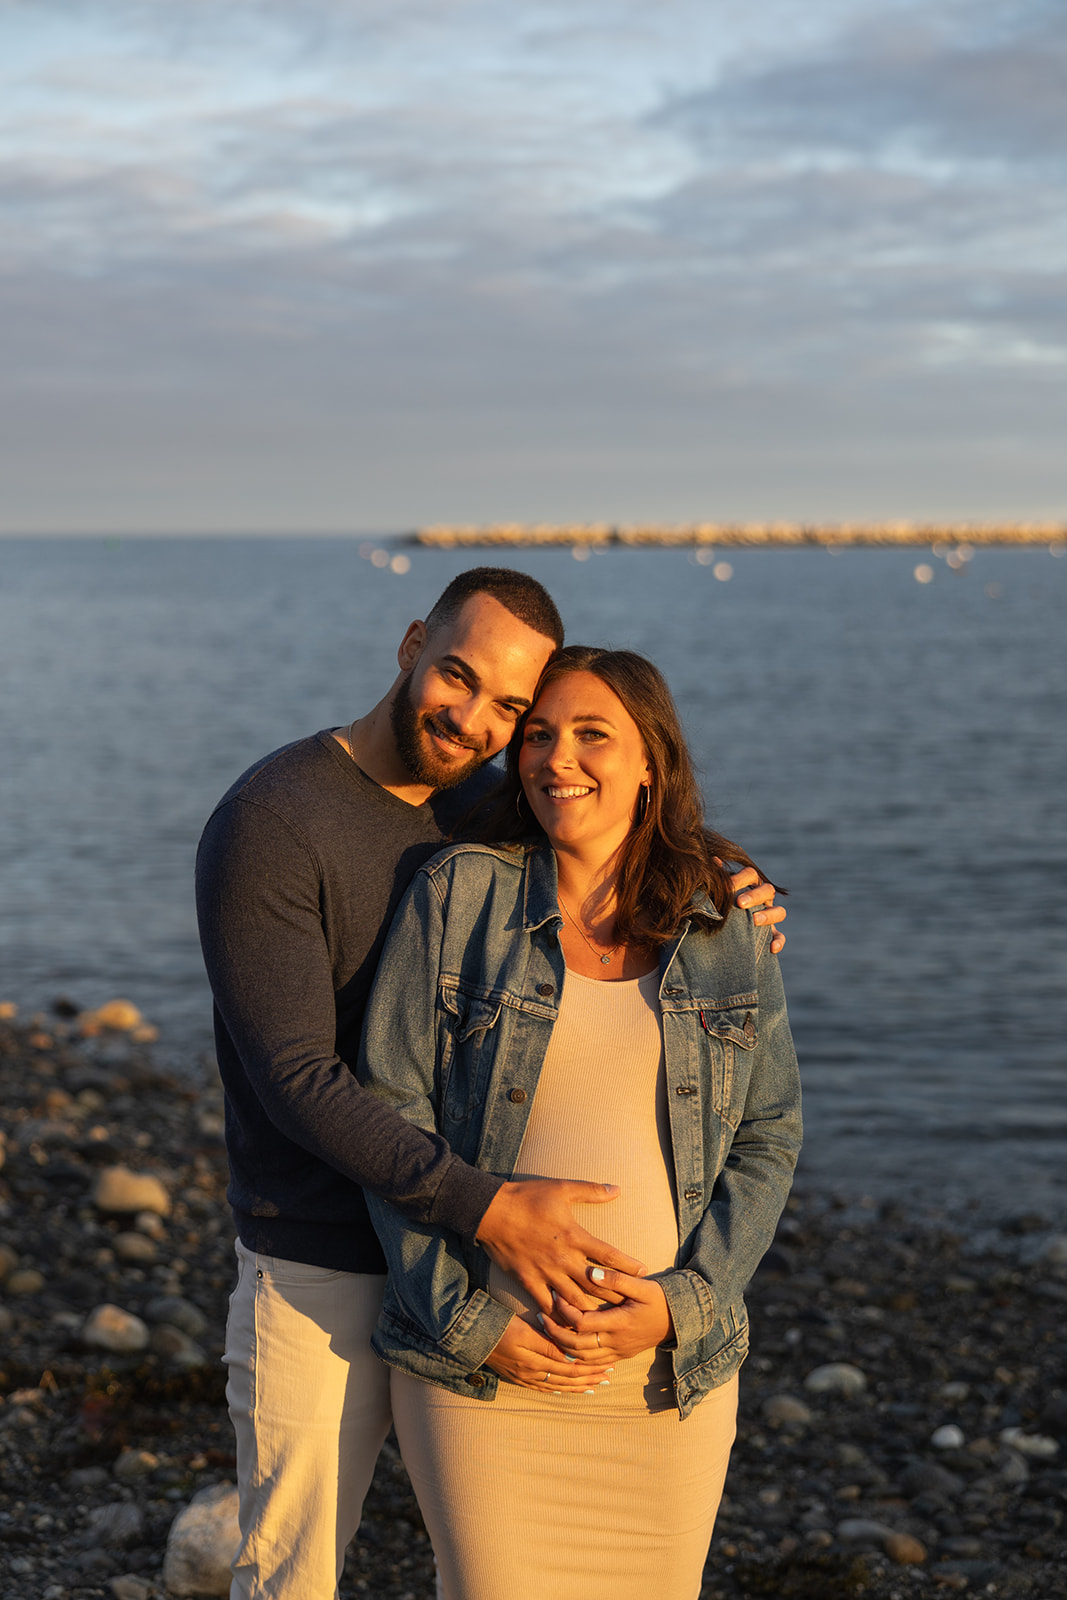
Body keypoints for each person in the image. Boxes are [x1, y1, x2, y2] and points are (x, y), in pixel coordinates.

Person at [195, 570, 786, 1600]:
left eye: (510, 708)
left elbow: (611, 828)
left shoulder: (489, 798)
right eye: (457, 677)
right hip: (323, 1254)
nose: (474, 720)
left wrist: (721, 874)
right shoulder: (273, 819)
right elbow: (296, 1076)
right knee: (292, 1574)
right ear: (411, 642)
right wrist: (490, 1213)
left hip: (476, 1263)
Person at [358, 644, 802, 1600]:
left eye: (592, 735)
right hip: (485, 1379)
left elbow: (768, 1131)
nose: (557, 758)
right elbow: (390, 1114)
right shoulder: (458, 896)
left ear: (652, 761)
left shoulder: (722, 921)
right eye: (540, 735)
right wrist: (467, 1320)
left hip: (665, 1385)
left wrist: (686, 1303)